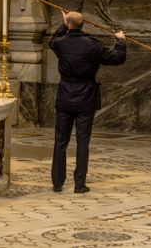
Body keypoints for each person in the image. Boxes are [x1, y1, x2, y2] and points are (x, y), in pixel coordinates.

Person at [49, 11, 126, 193]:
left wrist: (62, 24)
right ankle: (79, 184)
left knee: (60, 141)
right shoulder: (93, 45)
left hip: (65, 96)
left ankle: (58, 182)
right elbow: (117, 58)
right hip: (86, 97)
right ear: (83, 25)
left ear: (69, 24)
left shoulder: (61, 44)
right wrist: (121, 41)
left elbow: (53, 40)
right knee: (83, 142)